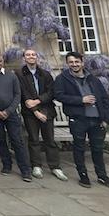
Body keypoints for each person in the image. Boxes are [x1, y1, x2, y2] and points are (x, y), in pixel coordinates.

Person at [53, 51, 109, 190]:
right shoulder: (62, 79)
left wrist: (106, 119)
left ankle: (102, 175)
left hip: (96, 119)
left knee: (97, 149)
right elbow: (59, 96)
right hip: (78, 119)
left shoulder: (93, 79)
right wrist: (80, 100)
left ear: (82, 62)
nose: (74, 64)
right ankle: (83, 175)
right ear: (67, 63)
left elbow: (104, 99)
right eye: (71, 62)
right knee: (79, 148)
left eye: (77, 62)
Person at [16, 49, 66, 181]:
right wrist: (36, 112)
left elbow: (51, 92)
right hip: (30, 113)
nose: (31, 57)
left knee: (50, 140)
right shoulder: (19, 74)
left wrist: (38, 102)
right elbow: (23, 94)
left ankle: (55, 166)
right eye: (28, 55)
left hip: (47, 111)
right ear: (24, 58)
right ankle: (36, 165)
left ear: (37, 57)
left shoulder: (45, 74)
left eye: (33, 55)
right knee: (33, 139)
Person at [0, 54, 32, 182]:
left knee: (17, 141)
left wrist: (8, 111)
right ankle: (7, 165)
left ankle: (25, 170)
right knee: (0, 140)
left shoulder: (11, 75)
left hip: (11, 113)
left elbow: (17, 94)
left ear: (3, 61)